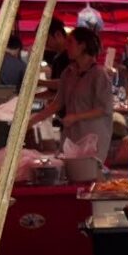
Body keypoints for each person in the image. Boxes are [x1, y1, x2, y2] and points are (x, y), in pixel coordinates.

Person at [29, 27, 114, 161]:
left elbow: (103, 109)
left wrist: (76, 117)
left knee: (88, 175)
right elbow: (57, 103)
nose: (67, 46)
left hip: (92, 138)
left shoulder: (99, 74)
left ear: (82, 46)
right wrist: (33, 120)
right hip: (71, 136)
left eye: (70, 42)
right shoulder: (68, 73)